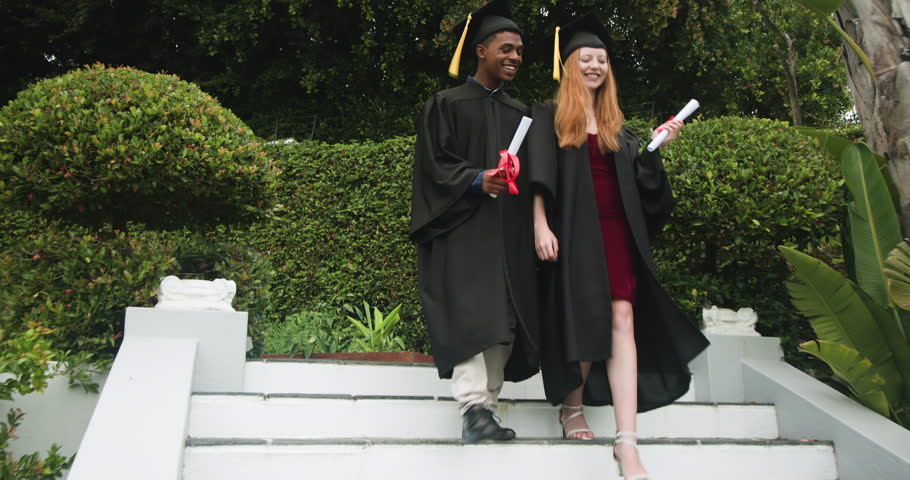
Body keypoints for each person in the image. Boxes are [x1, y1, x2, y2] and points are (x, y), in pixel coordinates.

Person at [528, 13, 710, 479]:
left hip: (616, 232)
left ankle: (627, 442)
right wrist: (540, 225)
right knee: (585, 316)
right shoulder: (550, 116)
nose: (595, 66)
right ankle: (573, 408)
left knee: (622, 318)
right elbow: (538, 177)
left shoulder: (616, 125)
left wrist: (654, 149)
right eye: (586, 59)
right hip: (573, 232)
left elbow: (642, 186)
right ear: (570, 66)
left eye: (602, 60)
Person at [410, 0, 538, 444]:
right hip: (462, 231)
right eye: (506, 48)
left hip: (507, 235)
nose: (515, 58)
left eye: (520, 51)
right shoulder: (445, 105)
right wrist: (477, 179)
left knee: (503, 319)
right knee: (470, 315)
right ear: (481, 50)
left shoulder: (521, 113)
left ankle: (486, 410)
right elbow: (433, 166)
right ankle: (472, 408)